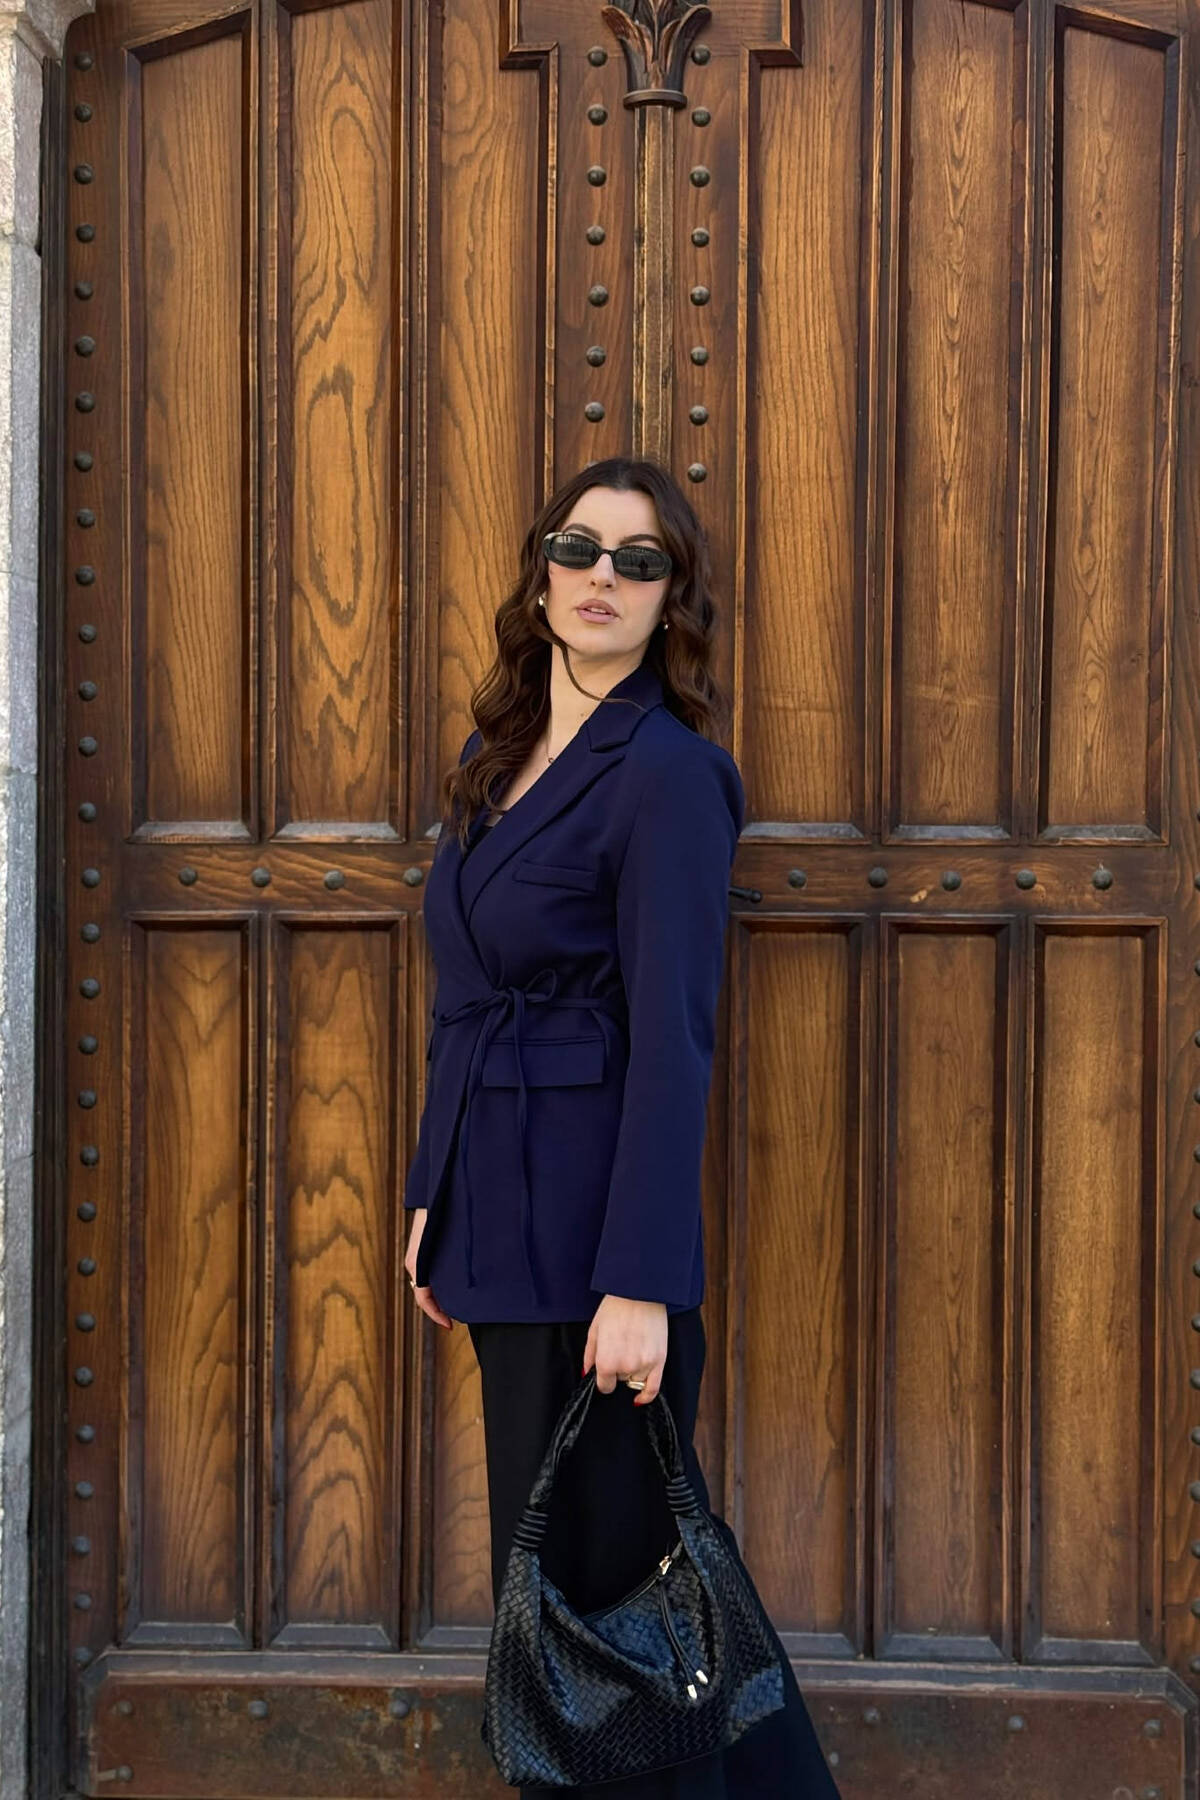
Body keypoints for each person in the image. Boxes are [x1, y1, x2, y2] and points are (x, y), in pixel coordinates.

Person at [403, 456, 841, 1798]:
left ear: (670, 599)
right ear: (540, 572)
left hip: (596, 1255)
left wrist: (641, 1282)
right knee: (591, 1595)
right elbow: (464, 997)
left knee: (611, 1607)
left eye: (638, 562)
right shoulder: (493, 761)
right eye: (579, 548)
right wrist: (431, 1192)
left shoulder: (670, 776)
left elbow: (673, 1041)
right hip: (499, 1230)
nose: (602, 577)